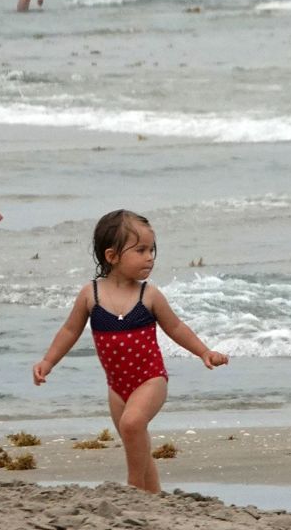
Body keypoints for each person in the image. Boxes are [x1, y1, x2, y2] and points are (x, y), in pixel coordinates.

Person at [31, 210, 229, 493]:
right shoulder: (91, 294)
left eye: (152, 250)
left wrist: (204, 352)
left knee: (133, 423)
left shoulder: (148, 295)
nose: (150, 257)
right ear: (112, 256)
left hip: (150, 379)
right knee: (135, 440)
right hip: (117, 388)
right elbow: (69, 331)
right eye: (141, 250)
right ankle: (153, 497)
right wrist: (48, 361)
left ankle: (133, 490)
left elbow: (176, 327)